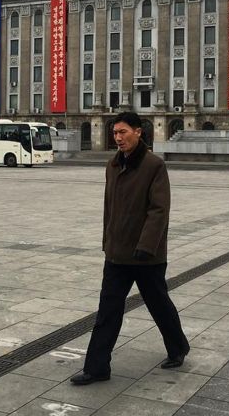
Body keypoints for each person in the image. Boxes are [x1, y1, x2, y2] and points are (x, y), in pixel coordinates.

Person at [71, 112, 190, 385]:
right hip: (117, 255)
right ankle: (97, 367)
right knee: (107, 312)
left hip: (146, 256)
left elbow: (159, 210)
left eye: (123, 132)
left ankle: (178, 347)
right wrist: (107, 241)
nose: (118, 138)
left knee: (159, 305)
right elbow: (108, 209)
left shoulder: (154, 166)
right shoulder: (112, 165)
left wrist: (147, 246)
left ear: (138, 132)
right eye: (115, 133)